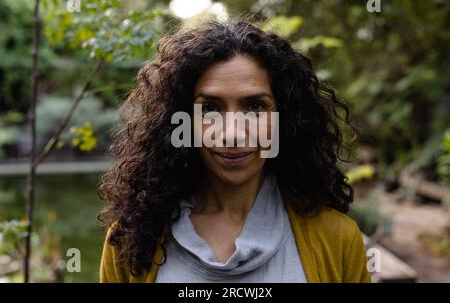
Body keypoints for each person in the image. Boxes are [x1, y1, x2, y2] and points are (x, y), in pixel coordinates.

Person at [98, 19, 371, 283]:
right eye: (209, 108)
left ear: (285, 118)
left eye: (255, 107)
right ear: (181, 120)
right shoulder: (130, 241)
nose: (233, 134)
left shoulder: (338, 239)